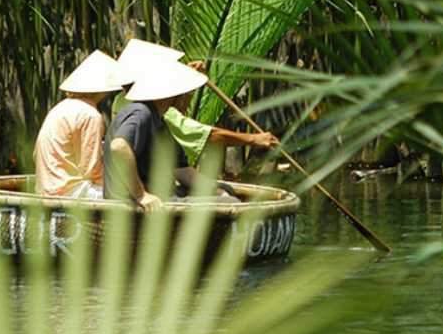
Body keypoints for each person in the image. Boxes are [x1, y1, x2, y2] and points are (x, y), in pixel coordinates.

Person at [114, 39, 278, 166]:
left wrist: (187, 81)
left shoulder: (125, 101)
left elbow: (179, 109)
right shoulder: (147, 109)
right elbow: (208, 136)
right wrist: (254, 139)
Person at [104, 60, 210, 210]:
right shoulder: (141, 112)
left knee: (227, 195)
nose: (188, 97)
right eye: (185, 93)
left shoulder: (160, 123)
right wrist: (141, 195)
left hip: (165, 196)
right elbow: (119, 147)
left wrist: (217, 190)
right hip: (134, 206)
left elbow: (182, 170)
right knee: (230, 201)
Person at [33, 50, 125, 199]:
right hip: (69, 190)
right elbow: (91, 169)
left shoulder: (61, 107)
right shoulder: (90, 115)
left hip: (48, 186)